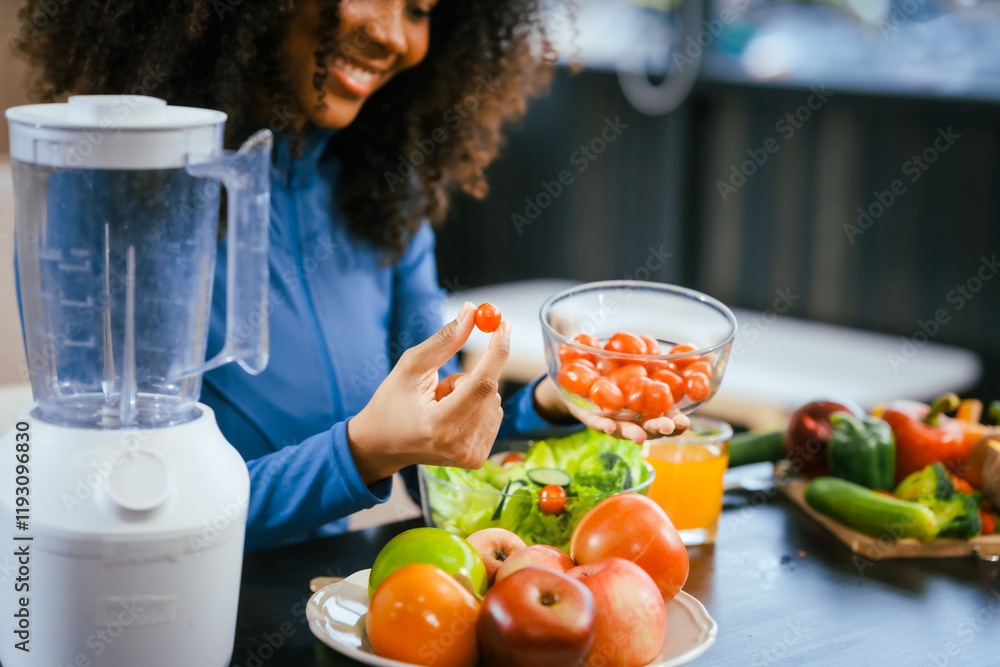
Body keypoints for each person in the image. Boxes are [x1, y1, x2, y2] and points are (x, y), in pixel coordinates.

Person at [15, 0, 688, 550]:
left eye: (423, 8)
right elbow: (120, 514)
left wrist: (553, 399)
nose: (394, 33)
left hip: (324, 616)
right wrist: (359, 453)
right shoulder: (109, 191)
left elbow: (433, 428)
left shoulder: (381, 193)